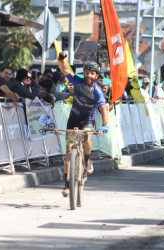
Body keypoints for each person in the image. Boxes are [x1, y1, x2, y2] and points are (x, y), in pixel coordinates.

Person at [58, 51, 108, 197]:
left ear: (96, 76)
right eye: (86, 72)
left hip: (87, 119)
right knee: (68, 153)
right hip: (73, 118)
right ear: (84, 73)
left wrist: (105, 124)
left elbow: (103, 108)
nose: (88, 76)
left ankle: (87, 159)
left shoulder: (97, 91)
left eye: (92, 74)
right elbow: (65, 70)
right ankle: (67, 185)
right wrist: (61, 60)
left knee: (86, 138)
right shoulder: (77, 82)